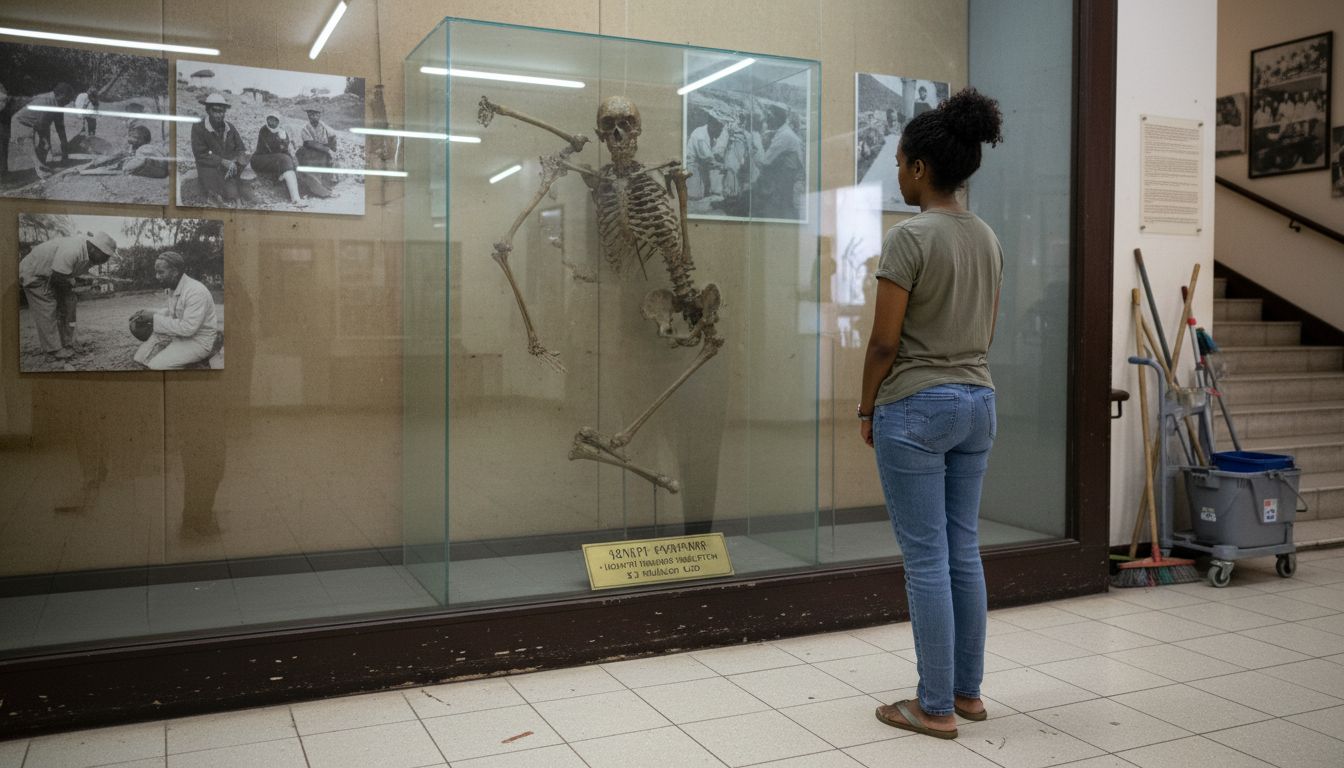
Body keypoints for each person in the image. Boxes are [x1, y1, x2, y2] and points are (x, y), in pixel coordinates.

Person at [859, 87, 1004, 741]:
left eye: (899, 163)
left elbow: (883, 343)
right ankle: (968, 695)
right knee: (962, 550)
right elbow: (986, 331)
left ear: (920, 168)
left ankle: (934, 706)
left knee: (925, 560)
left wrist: (866, 405)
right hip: (978, 401)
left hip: (917, 406)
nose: (897, 173)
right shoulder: (988, 238)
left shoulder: (909, 237)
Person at [19, 231, 118, 360]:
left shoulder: (89, 253)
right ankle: (53, 351)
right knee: (48, 307)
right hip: (34, 273)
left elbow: (68, 273)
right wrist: (69, 296)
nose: (106, 260)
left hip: (53, 273)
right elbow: (58, 276)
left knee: (68, 305)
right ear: (95, 249)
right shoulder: (73, 250)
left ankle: (68, 343)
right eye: (105, 255)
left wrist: (70, 297)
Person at [132, 251, 220, 370]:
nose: (157, 276)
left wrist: (154, 318)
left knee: (156, 367)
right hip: (179, 335)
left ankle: (197, 364)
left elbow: (188, 328)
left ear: (175, 272)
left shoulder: (196, 291)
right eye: (156, 272)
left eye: (161, 272)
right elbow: (174, 313)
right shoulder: (172, 287)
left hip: (198, 341)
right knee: (139, 359)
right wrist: (149, 313)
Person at [190, 92, 249, 205]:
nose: (219, 115)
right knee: (215, 189)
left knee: (240, 175)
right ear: (208, 110)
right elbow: (200, 154)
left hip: (229, 166)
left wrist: (237, 160)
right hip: (209, 166)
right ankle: (216, 197)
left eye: (221, 111)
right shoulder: (199, 127)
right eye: (215, 111)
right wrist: (222, 161)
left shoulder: (230, 127)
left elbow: (240, 148)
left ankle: (235, 197)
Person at [12, 82, 74, 180]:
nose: (69, 102)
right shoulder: (46, 101)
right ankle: (40, 169)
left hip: (37, 123)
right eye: (68, 99)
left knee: (46, 145)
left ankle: (41, 167)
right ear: (61, 95)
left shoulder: (58, 103)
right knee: (31, 146)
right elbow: (41, 124)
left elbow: (60, 127)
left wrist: (65, 150)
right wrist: (46, 141)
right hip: (21, 122)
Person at [752, 104, 803, 219]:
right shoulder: (784, 132)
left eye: (770, 117)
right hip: (787, 175)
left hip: (786, 176)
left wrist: (753, 155)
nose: (767, 120)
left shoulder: (784, 135)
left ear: (778, 118)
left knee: (780, 207)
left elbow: (765, 161)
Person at [251, 112, 308, 209]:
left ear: (278, 121)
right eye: (270, 119)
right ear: (267, 120)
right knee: (285, 159)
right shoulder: (264, 130)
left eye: (275, 120)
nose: (272, 122)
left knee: (291, 162)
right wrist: (280, 140)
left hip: (275, 159)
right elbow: (271, 148)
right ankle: (295, 199)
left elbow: (285, 149)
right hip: (260, 158)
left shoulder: (282, 132)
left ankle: (297, 196)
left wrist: (291, 157)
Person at [685, 108, 727, 199]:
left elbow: (715, 153)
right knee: (696, 195)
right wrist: (722, 165)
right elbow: (707, 158)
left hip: (702, 165)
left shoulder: (711, 134)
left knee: (710, 189)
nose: (720, 132)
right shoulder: (700, 136)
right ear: (712, 124)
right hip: (693, 166)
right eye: (719, 129)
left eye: (721, 129)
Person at [295, 106, 337, 197]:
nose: (313, 116)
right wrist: (327, 150)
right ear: (308, 116)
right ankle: (317, 191)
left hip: (321, 151)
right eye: (311, 115)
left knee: (327, 163)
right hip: (308, 151)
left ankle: (327, 189)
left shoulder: (324, 127)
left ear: (319, 115)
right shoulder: (305, 128)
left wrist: (331, 150)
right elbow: (309, 143)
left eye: (316, 114)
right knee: (309, 168)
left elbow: (333, 137)